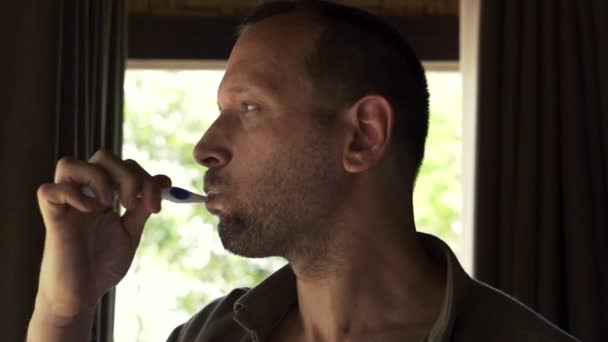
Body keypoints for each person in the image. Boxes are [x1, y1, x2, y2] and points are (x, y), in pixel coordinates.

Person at [27, 1, 581, 341]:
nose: (205, 148)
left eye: (249, 109)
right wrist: (63, 313)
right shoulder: (209, 336)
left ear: (363, 135)